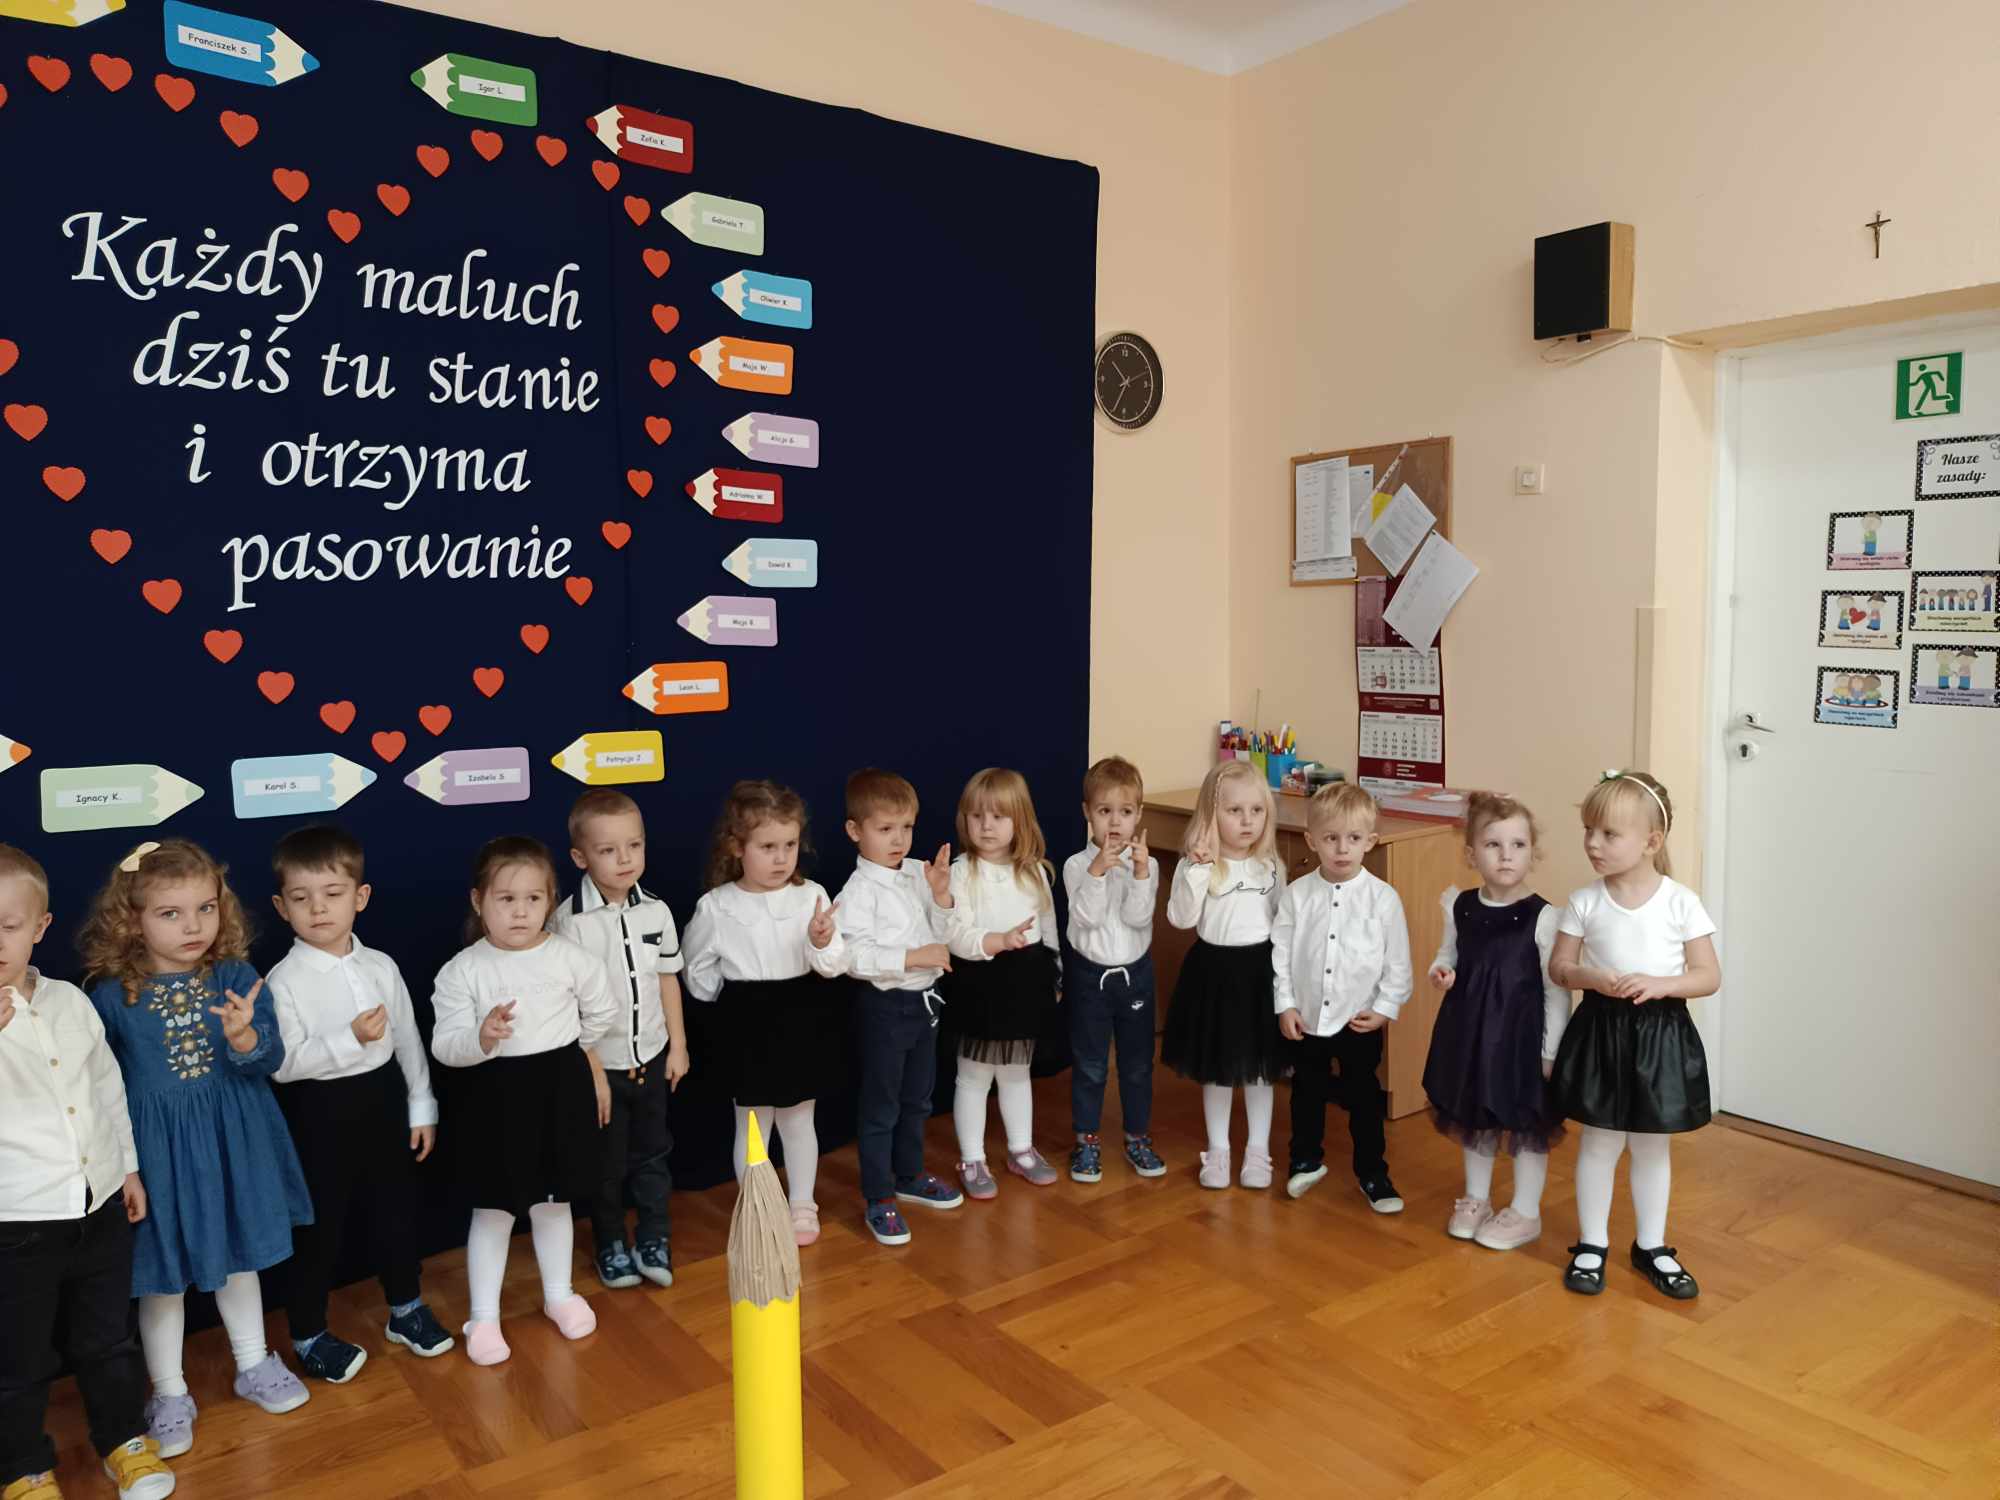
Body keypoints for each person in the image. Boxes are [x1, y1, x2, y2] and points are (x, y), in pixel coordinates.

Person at [81, 841, 314, 1460]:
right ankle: (168, 1391)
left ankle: (253, 1363)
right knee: (161, 1273)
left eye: (206, 908)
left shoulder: (236, 978)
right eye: (171, 913)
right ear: (132, 919)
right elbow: (100, 1087)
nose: (193, 926)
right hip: (159, 1157)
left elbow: (269, 1058)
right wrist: (122, 1164)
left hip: (233, 1142)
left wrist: (245, 1038)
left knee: (239, 1255)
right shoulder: (110, 996)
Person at [0, 844, 176, 1500]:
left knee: (108, 1339)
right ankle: (22, 1467)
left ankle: (123, 1440)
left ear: (39, 927)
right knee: (19, 1358)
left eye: (8, 925)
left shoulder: (72, 1003)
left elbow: (106, 1089)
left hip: (97, 1206)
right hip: (17, 1223)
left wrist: (126, 1168)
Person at [267, 825, 453, 1383]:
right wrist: (348, 1039)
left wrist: (421, 1105)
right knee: (318, 1229)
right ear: (281, 907)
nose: (318, 909)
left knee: (395, 1212)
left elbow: (408, 1038)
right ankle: (308, 1333)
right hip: (318, 1113)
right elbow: (282, 1064)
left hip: (383, 1102)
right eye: (301, 898)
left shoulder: (381, 967)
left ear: (361, 897)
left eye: (333, 894)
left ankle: (405, 1309)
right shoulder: (283, 981)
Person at [430, 837, 616, 1366]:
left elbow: (602, 1010)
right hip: (494, 1101)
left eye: (533, 899)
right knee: (494, 1210)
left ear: (550, 901)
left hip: (559, 1093)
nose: (520, 912)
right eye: (506, 899)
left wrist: (571, 1048)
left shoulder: (570, 958)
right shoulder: (462, 970)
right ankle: (483, 1317)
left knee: (554, 1201)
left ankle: (559, 1294)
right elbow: (445, 1046)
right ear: (478, 901)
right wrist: (483, 1038)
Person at [1547, 771, 1721, 1300]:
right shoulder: (1584, 900)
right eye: (1588, 831)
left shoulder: (1681, 902)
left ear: (1651, 841)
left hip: (1659, 1034)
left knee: (1650, 1145)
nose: (1593, 844)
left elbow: (1708, 976)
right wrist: (1591, 977)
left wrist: (1662, 984)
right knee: (1599, 1142)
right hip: (1601, 1030)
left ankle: (1651, 1245)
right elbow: (1559, 968)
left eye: (1608, 834)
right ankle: (1591, 1243)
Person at [682, 781, 848, 1247]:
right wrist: (728, 996)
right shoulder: (717, 906)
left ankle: (802, 1204)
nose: (781, 858)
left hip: (801, 1017)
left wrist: (820, 942)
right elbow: (696, 969)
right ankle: (757, 1205)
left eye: (790, 845)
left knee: (798, 1121)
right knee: (753, 1124)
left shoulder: (811, 895)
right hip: (747, 1024)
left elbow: (836, 963)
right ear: (737, 847)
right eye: (768, 847)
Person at [550, 791, 687, 1294]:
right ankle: (610, 1243)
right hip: (600, 1067)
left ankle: (654, 1238)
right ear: (580, 857)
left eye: (634, 845)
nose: (625, 859)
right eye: (608, 850)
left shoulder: (657, 911)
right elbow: (566, 1006)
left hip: (650, 1056)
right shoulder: (568, 924)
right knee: (605, 1166)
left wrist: (678, 1046)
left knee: (653, 1155)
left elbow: (667, 979)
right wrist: (590, 1071)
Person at [1422, 794, 1570, 1249]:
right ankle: (1476, 1198)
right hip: (1470, 1033)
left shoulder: (1543, 917)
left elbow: (1557, 990)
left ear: (1532, 852)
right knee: (1476, 1116)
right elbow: (1448, 955)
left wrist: (1550, 1051)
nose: (1506, 856)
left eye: (1518, 845)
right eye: (1493, 845)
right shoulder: (1461, 906)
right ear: (1472, 854)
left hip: (1520, 1040)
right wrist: (1441, 972)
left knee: (1526, 1125)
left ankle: (1526, 1211)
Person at [835, 770, 965, 1245]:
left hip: (926, 1006)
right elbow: (852, 958)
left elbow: (945, 935)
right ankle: (879, 1196)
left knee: (918, 1099)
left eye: (906, 827)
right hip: (885, 1009)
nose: (898, 839)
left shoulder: (916, 873)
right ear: (855, 831)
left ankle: (909, 1175)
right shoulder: (857, 892)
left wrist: (942, 896)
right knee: (882, 1107)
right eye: (885, 829)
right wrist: (913, 957)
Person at [1273, 784, 1410, 1213]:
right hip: (1308, 1016)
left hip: (1359, 1019)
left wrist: (1385, 1009)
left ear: (1370, 841)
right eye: (1331, 838)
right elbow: (1281, 954)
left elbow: (1398, 964)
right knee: (1306, 1091)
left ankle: (1373, 1172)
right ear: (1312, 840)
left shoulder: (1383, 899)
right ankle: (1305, 1160)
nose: (1342, 848)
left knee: (1363, 1097)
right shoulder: (1297, 895)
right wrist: (1285, 1003)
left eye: (1353, 838)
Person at [1160, 760, 1285, 1189]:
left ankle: (1258, 1151)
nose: (1247, 821)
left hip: (1259, 975)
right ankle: (1218, 1150)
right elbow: (1180, 918)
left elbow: (1282, 923)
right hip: (1213, 974)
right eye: (1234, 811)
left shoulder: (1270, 865)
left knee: (1259, 1070)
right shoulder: (1198, 866)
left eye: (1256, 810)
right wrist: (1197, 870)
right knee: (1217, 1068)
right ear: (1211, 815)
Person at [940, 769, 1063, 1198]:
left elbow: (1048, 926)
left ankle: (1021, 1149)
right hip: (979, 983)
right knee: (973, 1075)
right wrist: (997, 941)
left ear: (1019, 820)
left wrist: (1056, 974)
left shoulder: (1034, 872)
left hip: (1024, 984)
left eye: (998, 817)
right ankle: (972, 1157)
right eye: (977, 816)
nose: (986, 826)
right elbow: (955, 934)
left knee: (1016, 1072)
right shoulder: (961, 873)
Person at [1062, 755, 1165, 1182]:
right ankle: (1086, 1140)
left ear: (1139, 814)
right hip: (1090, 978)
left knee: (1137, 1064)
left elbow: (1138, 919)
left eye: (1125, 811)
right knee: (1089, 1064)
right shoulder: (1076, 865)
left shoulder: (1149, 864)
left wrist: (1139, 872)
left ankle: (1137, 1137)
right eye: (1105, 811)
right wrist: (1098, 872)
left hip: (1135, 975)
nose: (1116, 822)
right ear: (1087, 813)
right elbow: (1085, 918)